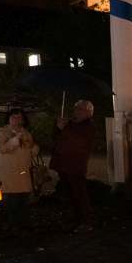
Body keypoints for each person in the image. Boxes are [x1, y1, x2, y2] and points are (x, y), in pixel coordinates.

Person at [51, 99, 96, 232]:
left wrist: (63, 129)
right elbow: (55, 137)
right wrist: (58, 128)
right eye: (76, 108)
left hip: (75, 165)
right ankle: (76, 218)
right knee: (69, 194)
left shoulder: (89, 126)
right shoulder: (70, 123)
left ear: (89, 112)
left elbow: (78, 140)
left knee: (79, 193)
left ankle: (86, 221)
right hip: (63, 164)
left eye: (80, 109)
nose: (76, 111)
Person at [0, 108, 38, 231]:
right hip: (10, 173)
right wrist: (15, 140)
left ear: (23, 120)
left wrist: (33, 147)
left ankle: (24, 225)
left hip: (24, 172)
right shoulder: (1, 132)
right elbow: (2, 149)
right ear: (8, 118)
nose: (17, 120)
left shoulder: (26, 133)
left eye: (19, 118)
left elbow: (33, 151)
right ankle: (14, 227)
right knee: (12, 201)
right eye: (14, 117)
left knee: (24, 201)